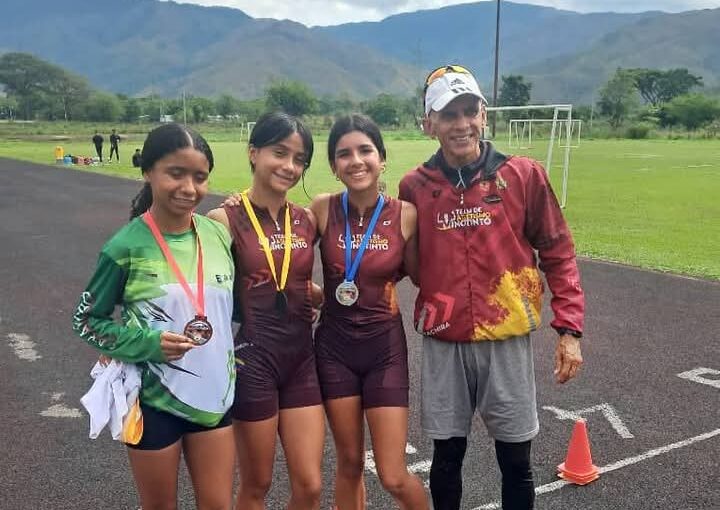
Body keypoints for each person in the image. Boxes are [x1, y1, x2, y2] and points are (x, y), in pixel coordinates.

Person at [398, 64, 585, 510]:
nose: (461, 124)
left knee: (516, 461)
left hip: (507, 338)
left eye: (470, 111)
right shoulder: (414, 187)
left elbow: (558, 251)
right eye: (448, 114)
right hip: (444, 339)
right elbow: (398, 260)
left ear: (484, 115)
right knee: (447, 458)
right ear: (429, 124)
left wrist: (570, 329)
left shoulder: (523, 175)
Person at [71, 123, 236, 510]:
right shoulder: (125, 245)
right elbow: (87, 320)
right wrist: (145, 343)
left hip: (215, 396)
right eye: (176, 173)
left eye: (200, 177)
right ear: (148, 171)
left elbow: (235, 306)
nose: (189, 188)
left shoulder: (218, 235)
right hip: (153, 401)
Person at [207, 112, 325, 510]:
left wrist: (320, 296)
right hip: (252, 361)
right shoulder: (223, 219)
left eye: (299, 159)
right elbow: (210, 297)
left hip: (301, 360)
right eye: (280, 152)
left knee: (310, 486)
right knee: (257, 483)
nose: (290, 166)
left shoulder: (307, 220)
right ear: (253, 152)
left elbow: (294, 280)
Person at [310, 115, 428, 510]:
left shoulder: (405, 214)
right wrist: (312, 293)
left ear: (382, 159)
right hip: (334, 351)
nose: (356, 161)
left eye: (365, 150)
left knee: (393, 475)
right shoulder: (322, 208)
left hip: (384, 351)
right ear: (334, 165)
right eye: (344, 154)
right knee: (349, 463)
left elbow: (422, 275)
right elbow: (284, 257)